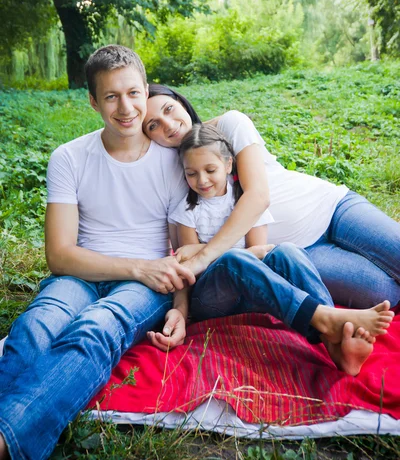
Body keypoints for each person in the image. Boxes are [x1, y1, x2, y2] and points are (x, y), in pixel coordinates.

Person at [0, 46, 198, 460]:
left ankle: (7, 443)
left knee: (95, 329)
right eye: (111, 96)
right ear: (93, 101)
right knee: (37, 325)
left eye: (133, 93)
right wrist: (139, 266)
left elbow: (183, 247)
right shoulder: (69, 158)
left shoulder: (172, 161)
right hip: (81, 273)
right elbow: (60, 255)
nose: (125, 108)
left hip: (148, 285)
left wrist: (181, 307)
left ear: (146, 91)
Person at [147, 123, 394, 377]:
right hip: (211, 297)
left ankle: (336, 340)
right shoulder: (188, 212)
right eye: (191, 173)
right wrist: (182, 310)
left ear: (228, 165)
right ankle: (327, 320)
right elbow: (190, 266)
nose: (202, 180)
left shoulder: (244, 202)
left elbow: (261, 253)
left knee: (287, 250)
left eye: (210, 170)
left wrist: (230, 253)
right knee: (234, 258)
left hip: (251, 288)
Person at [144, 84, 400, 309]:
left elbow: (257, 197)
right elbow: (184, 242)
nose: (167, 125)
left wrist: (203, 256)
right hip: (298, 252)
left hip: (332, 209)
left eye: (168, 109)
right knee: (385, 293)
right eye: (153, 125)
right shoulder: (179, 172)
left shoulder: (230, 125)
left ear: (180, 101)